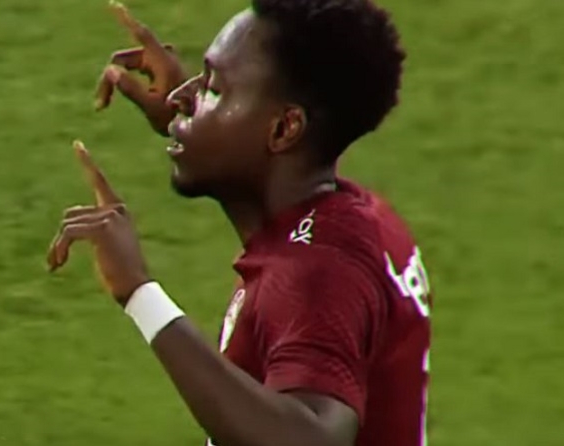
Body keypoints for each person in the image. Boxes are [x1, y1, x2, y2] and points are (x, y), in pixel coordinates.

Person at [47, 1, 433, 445]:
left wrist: (138, 292)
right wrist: (202, 124)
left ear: (284, 129)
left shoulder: (317, 274)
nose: (180, 99)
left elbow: (313, 437)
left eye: (213, 88)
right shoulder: (357, 216)